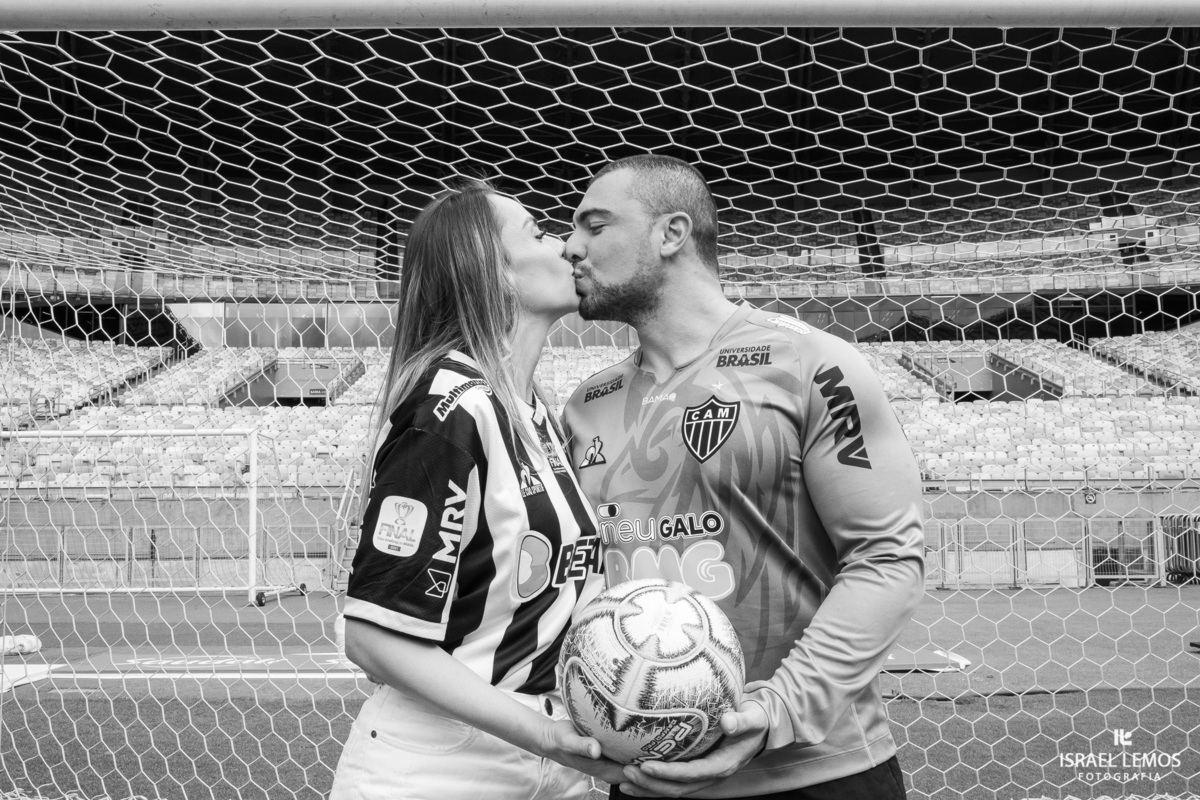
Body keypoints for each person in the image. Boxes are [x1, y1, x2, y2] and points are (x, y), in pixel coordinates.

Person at [561, 155, 926, 799]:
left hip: (817, 774)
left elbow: (887, 557)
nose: (571, 246)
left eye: (595, 225)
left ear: (672, 233)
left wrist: (777, 708)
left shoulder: (812, 364)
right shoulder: (586, 404)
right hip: (645, 776)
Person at [330, 177, 624, 800]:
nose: (567, 247)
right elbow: (373, 638)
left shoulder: (535, 412)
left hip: (548, 757)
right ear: (491, 270)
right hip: (441, 766)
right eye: (538, 234)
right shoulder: (450, 408)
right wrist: (540, 735)